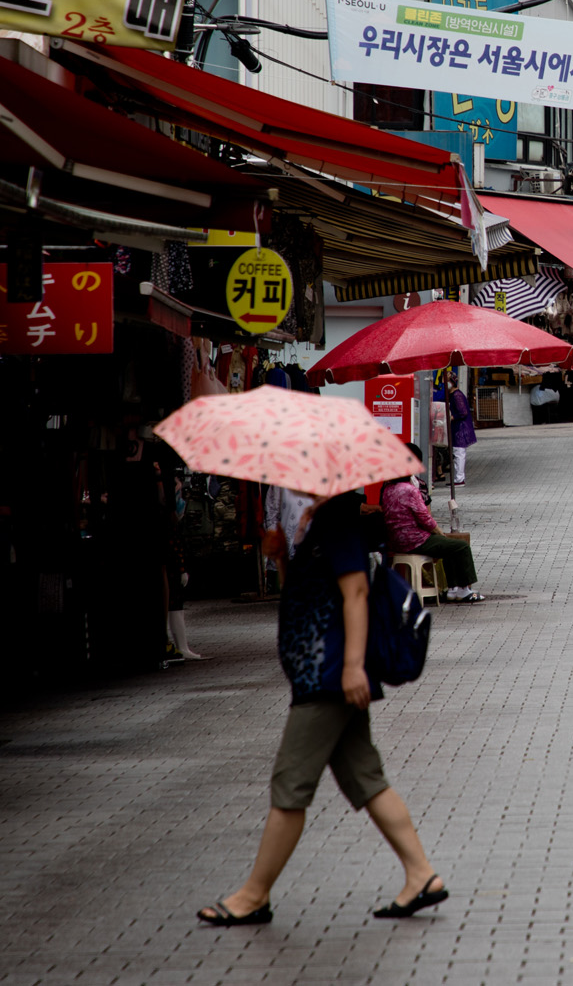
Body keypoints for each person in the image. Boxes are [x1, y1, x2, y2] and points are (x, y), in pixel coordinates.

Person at [196, 489, 449, 927]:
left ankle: (253, 895)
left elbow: (353, 594)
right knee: (365, 777)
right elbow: (312, 592)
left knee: (291, 783)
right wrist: (281, 559)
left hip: (328, 677)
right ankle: (421, 875)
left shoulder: (336, 519)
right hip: (321, 672)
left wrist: (352, 668)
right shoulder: (317, 521)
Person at [381, 450, 483, 603]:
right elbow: (425, 518)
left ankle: (453, 588)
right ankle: (464, 589)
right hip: (416, 540)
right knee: (460, 546)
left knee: (448, 547)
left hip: (397, 540)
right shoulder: (409, 490)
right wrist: (440, 533)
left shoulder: (387, 490)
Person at [437, 375, 476, 485]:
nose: (445, 384)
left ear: (452, 382)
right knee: (458, 453)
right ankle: (458, 478)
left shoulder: (457, 395)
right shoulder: (453, 395)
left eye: (447, 381)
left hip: (460, 429)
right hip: (458, 428)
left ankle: (459, 479)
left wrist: (451, 417)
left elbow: (463, 412)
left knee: (459, 453)